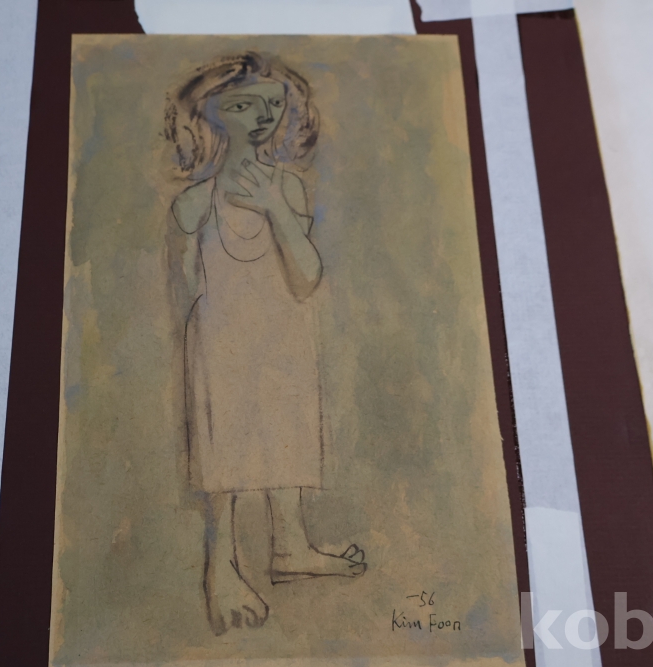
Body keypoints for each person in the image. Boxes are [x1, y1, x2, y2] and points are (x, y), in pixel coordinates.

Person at [165, 52, 366, 636]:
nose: (262, 116)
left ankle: (291, 547)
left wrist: (276, 208)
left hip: (284, 336)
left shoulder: (290, 190)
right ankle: (221, 568)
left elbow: (307, 277)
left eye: (273, 104)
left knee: (288, 427)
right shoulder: (193, 202)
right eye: (242, 104)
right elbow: (186, 291)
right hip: (224, 340)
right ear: (209, 112)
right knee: (226, 446)